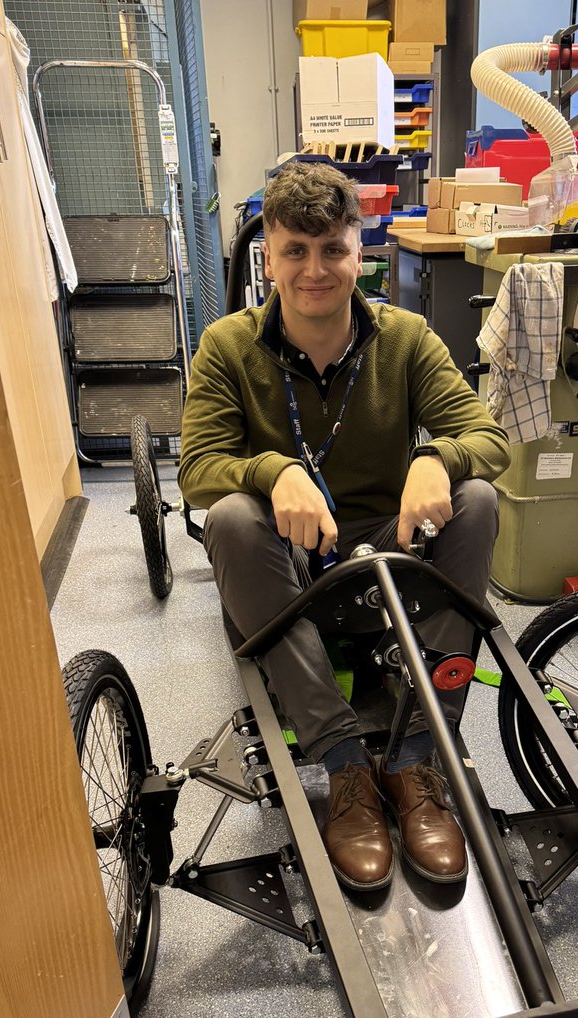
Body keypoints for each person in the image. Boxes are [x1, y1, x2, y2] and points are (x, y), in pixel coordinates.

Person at [179, 161, 510, 892]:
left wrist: (436, 457)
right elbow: (197, 469)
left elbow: (491, 440)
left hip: (390, 549)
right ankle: (345, 771)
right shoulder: (228, 346)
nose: (315, 270)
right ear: (269, 256)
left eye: (333, 249)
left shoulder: (408, 338)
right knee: (231, 517)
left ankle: (418, 758)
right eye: (296, 251)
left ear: (361, 252)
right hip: (289, 561)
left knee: (478, 498)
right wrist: (272, 472)